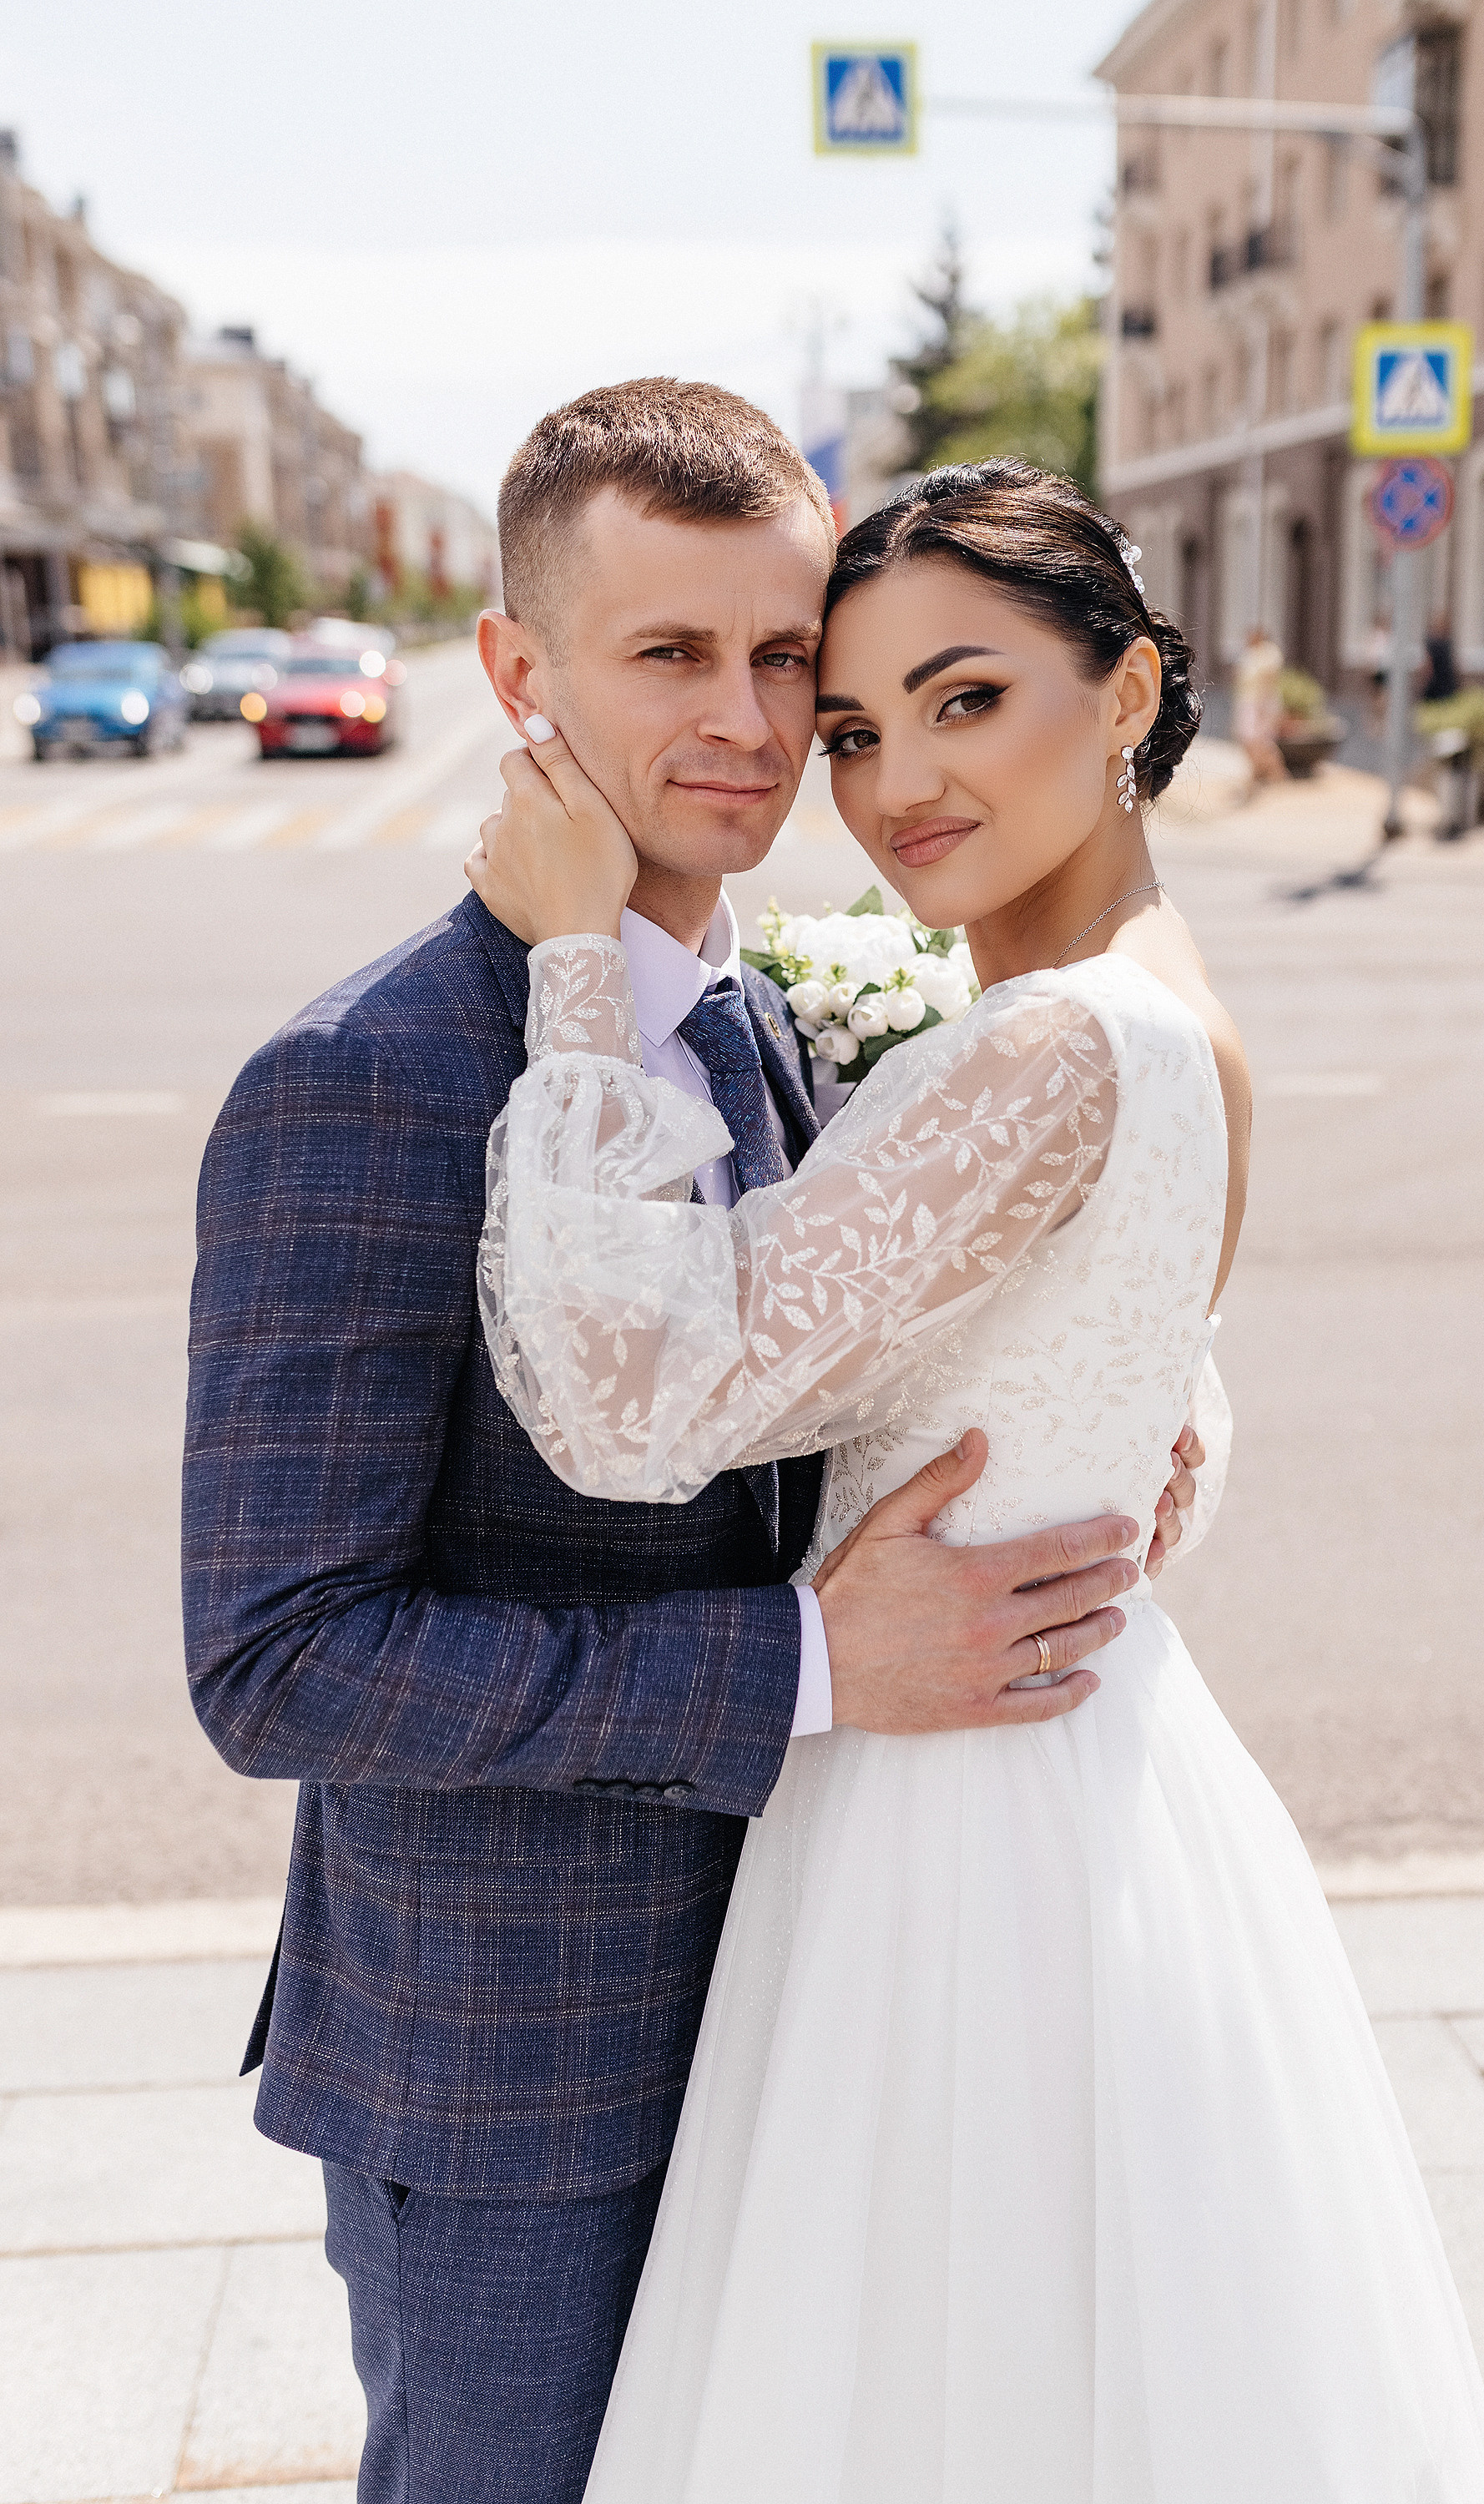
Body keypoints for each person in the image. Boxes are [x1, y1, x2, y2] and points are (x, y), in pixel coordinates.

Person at [182, 386, 1213, 2503]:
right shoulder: (365, 1080)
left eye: (788, 668)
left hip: (831, 2003)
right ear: (515, 671)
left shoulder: (794, 1021)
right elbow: (279, 1653)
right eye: (670, 655)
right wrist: (820, 1667)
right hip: (513, 2088)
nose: (751, 723)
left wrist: (1126, 1408)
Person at [467, 459, 1484, 2501]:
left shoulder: (1041, 1051)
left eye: (965, 700)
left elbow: (631, 1408)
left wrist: (571, 959)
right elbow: (1169, 1427)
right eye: (850, 729)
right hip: (1101, 1763)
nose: (889, 785)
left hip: (959, 1822)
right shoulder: (1178, 1018)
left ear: (1121, 694)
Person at [1231, 618, 1287, 780]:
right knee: (1247, 740)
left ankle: (1276, 772)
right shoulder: (1249, 654)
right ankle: (1258, 770)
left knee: (1262, 741)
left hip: (1261, 703)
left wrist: (1264, 707)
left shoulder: (1270, 653)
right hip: (1247, 702)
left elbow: (1269, 681)